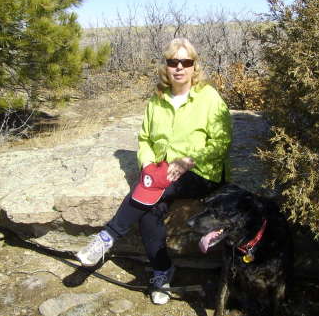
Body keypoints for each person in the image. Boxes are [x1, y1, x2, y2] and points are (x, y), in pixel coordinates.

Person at [76, 38, 232, 305]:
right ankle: (162, 272)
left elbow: (222, 141)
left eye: (186, 62)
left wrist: (189, 160)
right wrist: (147, 164)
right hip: (161, 170)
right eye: (174, 62)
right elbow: (145, 140)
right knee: (150, 208)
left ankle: (108, 236)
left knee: (152, 190)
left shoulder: (208, 97)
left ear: (195, 67)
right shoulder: (157, 99)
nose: (180, 68)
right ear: (166, 67)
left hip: (201, 171)